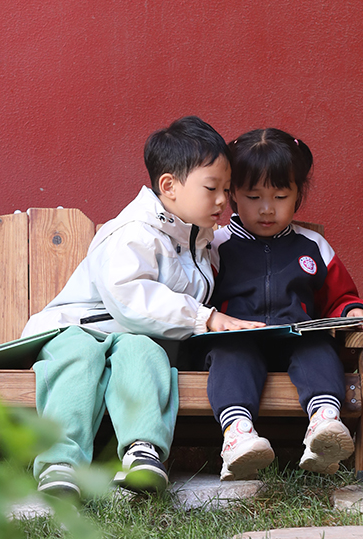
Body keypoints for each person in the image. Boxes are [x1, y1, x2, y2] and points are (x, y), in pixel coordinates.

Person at [19, 116, 261, 499]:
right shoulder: (132, 232)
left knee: (145, 351)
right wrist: (205, 318)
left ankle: (142, 452)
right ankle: (59, 461)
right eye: (212, 188)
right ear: (169, 186)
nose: (222, 201)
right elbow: (131, 297)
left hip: (131, 337)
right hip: (76, 327)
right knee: (80, 356)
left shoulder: (198, 240)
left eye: (228, 190)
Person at [202, 127, 363, 480]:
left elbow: (339, 295)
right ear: (233, 194)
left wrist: (352, 311)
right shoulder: (216, 246)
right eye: (253, 196)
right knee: (230, 354)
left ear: (298, 196)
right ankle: (237, 436)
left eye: (280, 196)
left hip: (296, 339)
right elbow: (196, 297)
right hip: (238, 340)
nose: (267, 209)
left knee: (318, 349)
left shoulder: (311, 246)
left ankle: (324, 426)